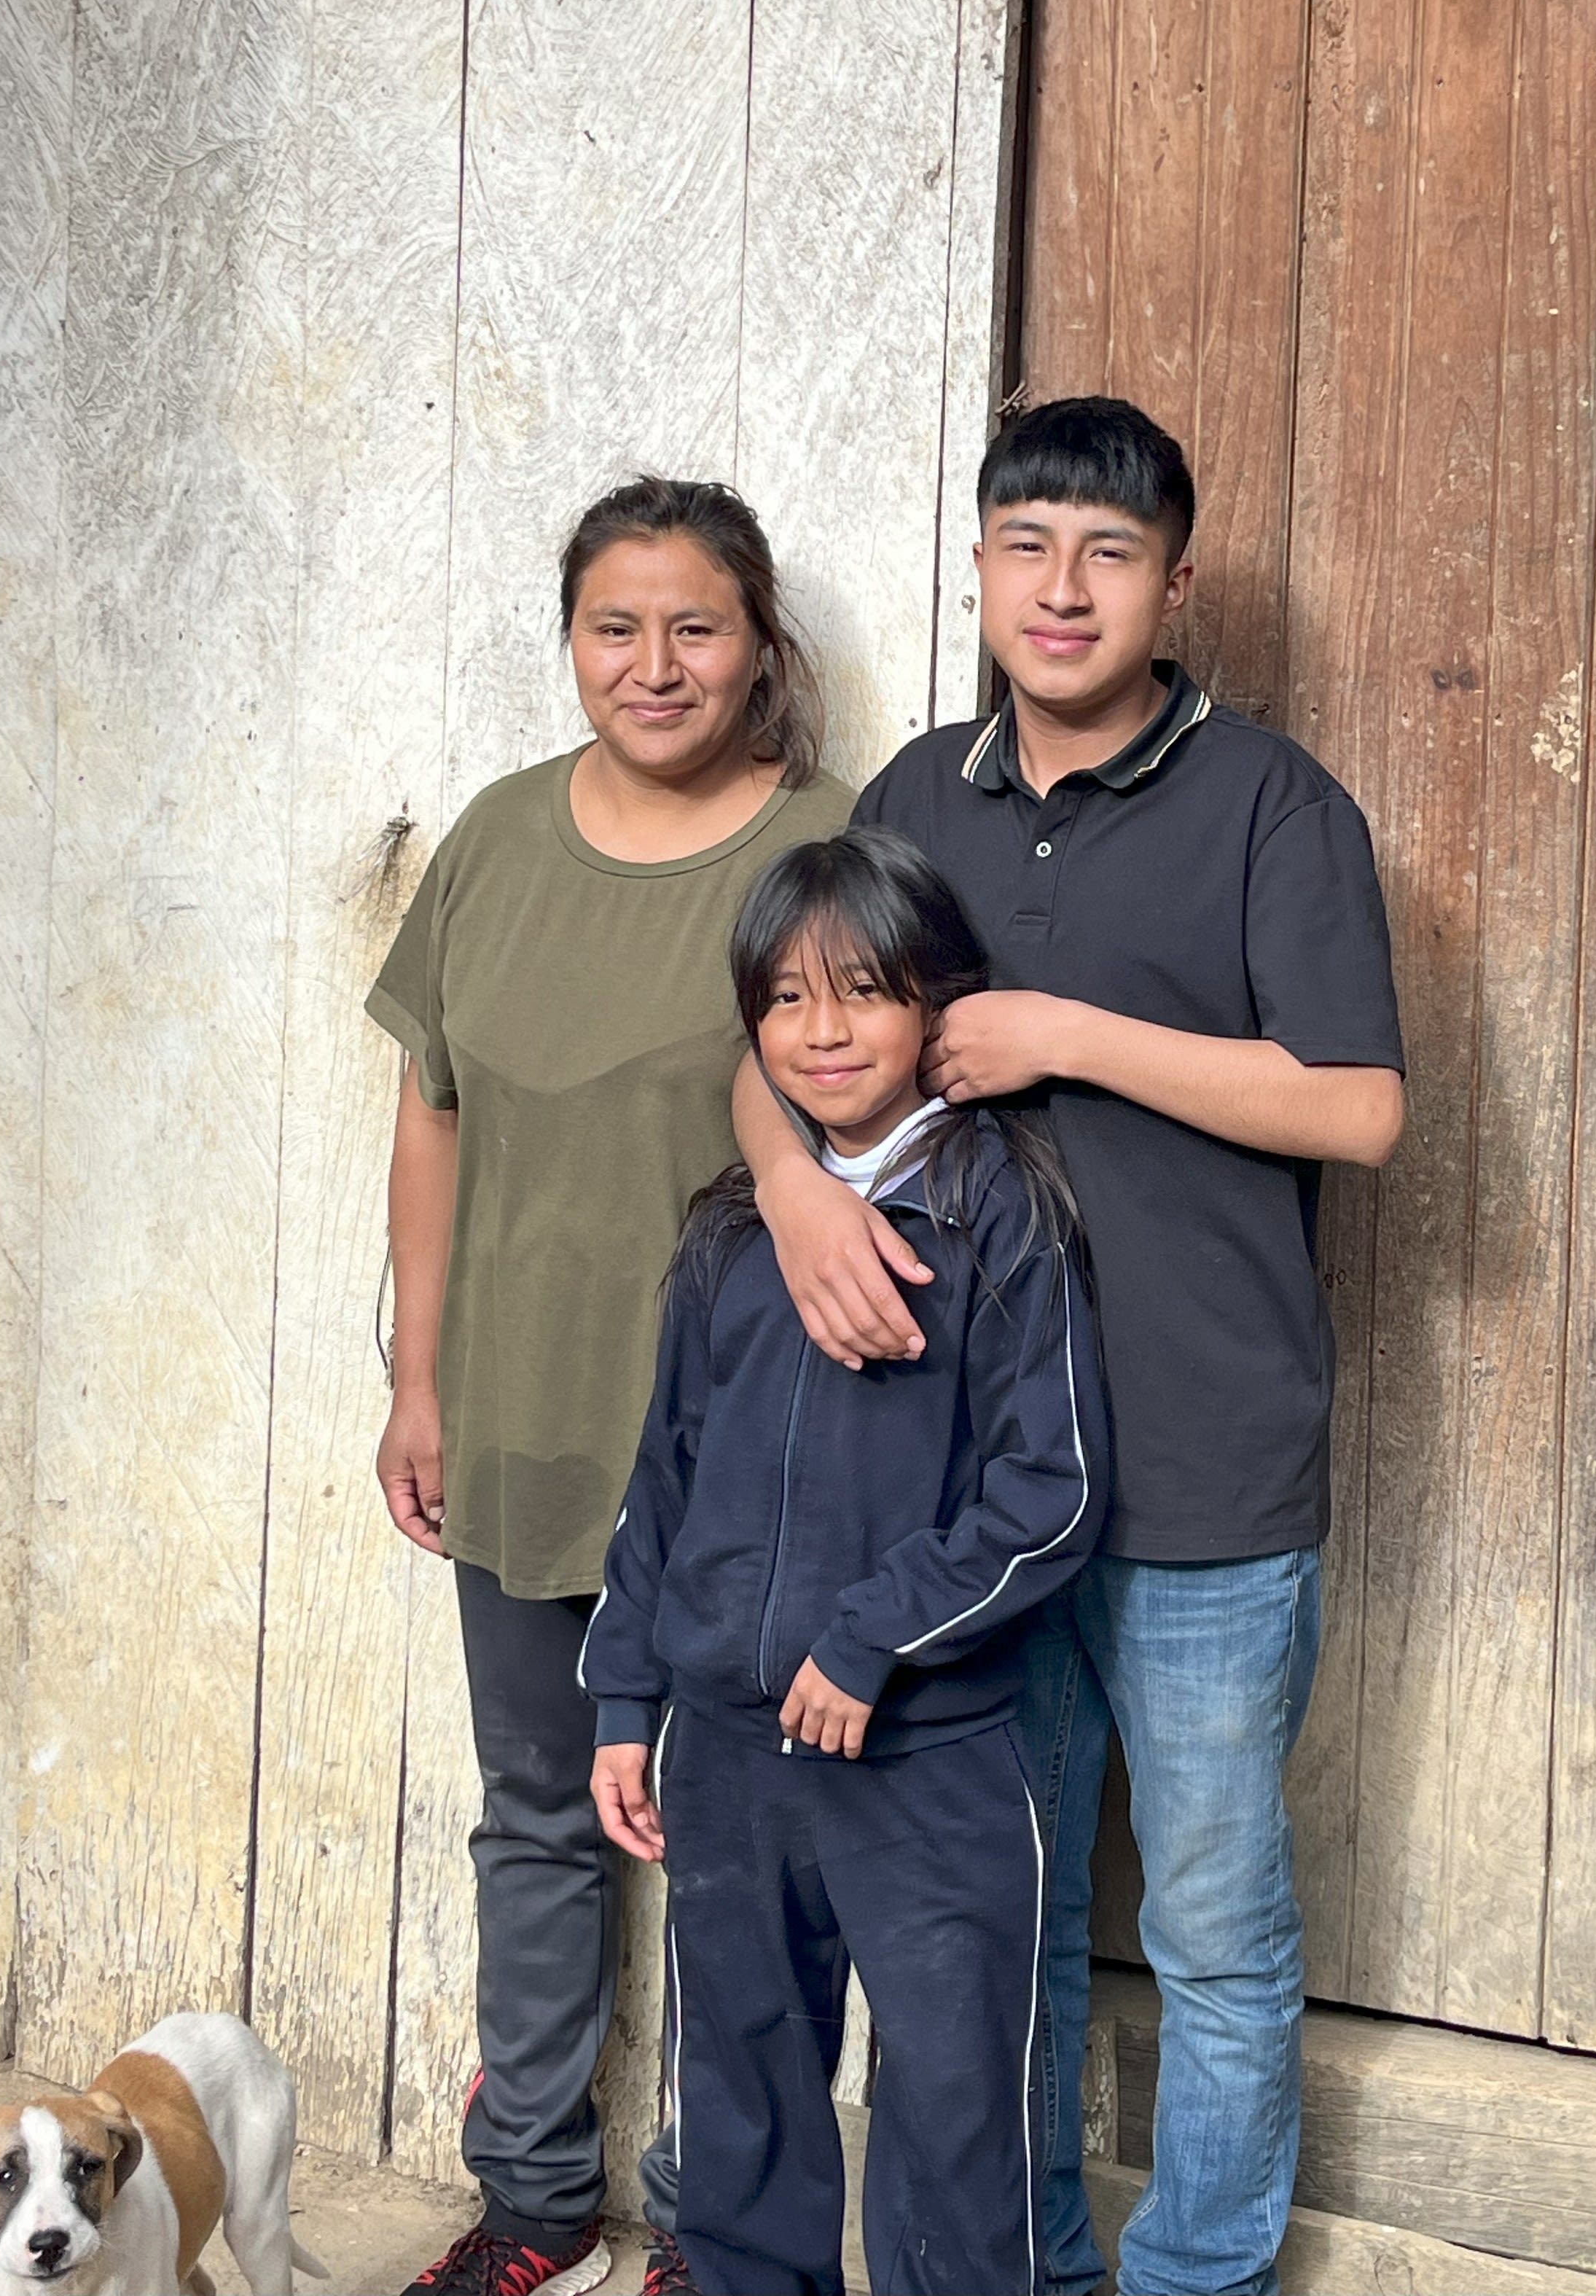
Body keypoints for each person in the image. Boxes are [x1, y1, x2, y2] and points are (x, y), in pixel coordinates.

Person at [732, 398, 1406, 2296]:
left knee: (1213, 1930)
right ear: (978, 567)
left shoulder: (1273, 804)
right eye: (1027, 545)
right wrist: (790, 1194)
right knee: (992, 1926)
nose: (1063, 587)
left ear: (1171, 586)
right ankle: (1021, 2267)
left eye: (1111, 554)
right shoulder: (916, 797)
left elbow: (1357, 1108)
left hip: (1203, 1469)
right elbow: (781, 1033)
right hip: (963, 1491)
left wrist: (1066, 1035)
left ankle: (1200, 2276)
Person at [367, 477, 853, 2296]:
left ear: (758, 646)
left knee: (732, 1844)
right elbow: (434, 1117)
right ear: (570, 642)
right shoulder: (496, 839)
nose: (654, 666)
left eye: (694, 628)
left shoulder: (823, 847)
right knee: (536, 1817)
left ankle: (717, 2227)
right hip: (519, 1418)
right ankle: (533, 2202)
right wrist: (420, 1382)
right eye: (614, 628)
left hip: (733, 1454)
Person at [584, 827, 1110, 2296]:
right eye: (786, 999)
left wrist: (876, 1634)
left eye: (864, 992)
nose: (822, 1031)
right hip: (729, 1755)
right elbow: (662, 1483)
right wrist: (626, 1705)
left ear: (937, 1000)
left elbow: (1052, 1490)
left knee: (955, 2117)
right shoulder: (732, 1232)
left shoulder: (999, 1212)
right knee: (740, 2106)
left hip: (926, 1761)